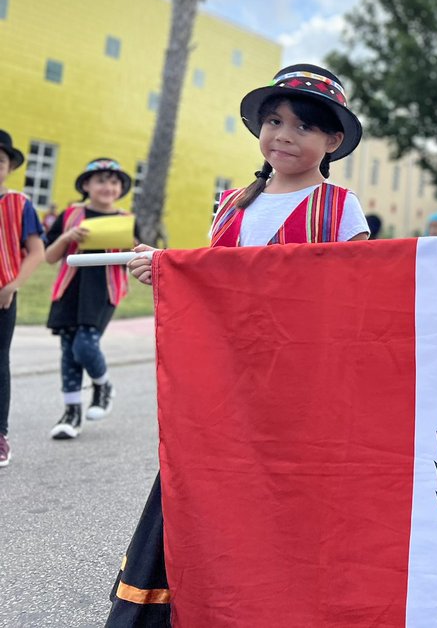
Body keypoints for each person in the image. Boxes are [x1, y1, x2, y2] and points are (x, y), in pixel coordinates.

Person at [108, 63, 369, 627]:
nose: (284, 135)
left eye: (303, 126)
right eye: (275, 120)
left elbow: (357, 290)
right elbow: (210, 281)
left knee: (286, 498)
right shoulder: (231, 204)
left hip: (297, 384)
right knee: (205, 487)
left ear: (333, 140)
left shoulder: (339, 207)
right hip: (223, 384)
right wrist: (168, 270)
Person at [43, 158, 136, 440]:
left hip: (104, 289)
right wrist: (68, 236)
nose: (108, 186)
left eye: (114, 181)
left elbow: (136, 256)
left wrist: (131, 246)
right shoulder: (71, 215)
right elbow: (49, 256)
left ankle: (103, 384)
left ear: (120, 188)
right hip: (70, 288)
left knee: (85, 345)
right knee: (68, 350)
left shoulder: (125, 220)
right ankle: (71, 414)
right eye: (101, 180)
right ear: (86, 185)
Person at [0, 130, 47, 467]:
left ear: (10, 167)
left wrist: (13, 284)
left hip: (2, 294)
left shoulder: (19, 204)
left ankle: (0, 434)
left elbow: (36, 251)